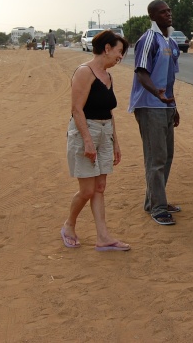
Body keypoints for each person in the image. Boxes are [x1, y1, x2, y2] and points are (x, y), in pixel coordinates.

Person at [61, 30, 131, 252]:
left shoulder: (108, 77)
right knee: (88, 189)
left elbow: (109, 113)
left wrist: (115, 143)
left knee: (100, 187)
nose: (120, 57)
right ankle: (69, 225)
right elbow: (76, 109)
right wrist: (88, 141)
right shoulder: (84, 72)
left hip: (105, 132)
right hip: (86, 132)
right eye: (119, 52)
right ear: (107, 48)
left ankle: (103, 237)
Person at [128, 0, 181, 226]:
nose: (168, 14)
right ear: (153, 16)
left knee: (166, 156)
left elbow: (169, 78)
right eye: (163, 12)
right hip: (150, 106)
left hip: (165, 106)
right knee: (155, 158)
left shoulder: (170, 41)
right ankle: (158, 208)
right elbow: (141, 72)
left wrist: (173, 106)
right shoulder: (148, 39)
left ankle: (155, 200)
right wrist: (157, 95)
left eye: (169, 10)